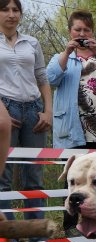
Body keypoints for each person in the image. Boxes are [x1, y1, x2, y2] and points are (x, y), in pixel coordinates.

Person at [47, 9, 96, 237]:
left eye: (86, 30)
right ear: (70, 31)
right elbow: (52, 77)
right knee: (74, 178)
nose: (82, 34)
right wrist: (67, 51)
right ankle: (71, 225)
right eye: (77, 29)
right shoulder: (62, 57)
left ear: (92, 32)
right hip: (75, 129)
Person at [0, 0, 52, 229]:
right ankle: (9, 236)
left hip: (33, 109)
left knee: (34, 176)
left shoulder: (32, 42)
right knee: (3, 176)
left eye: (15, 10)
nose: (11, 15)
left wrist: (48, 111)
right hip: (4, 108)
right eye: (5, 9)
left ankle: (36, 236)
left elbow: (42, 76)